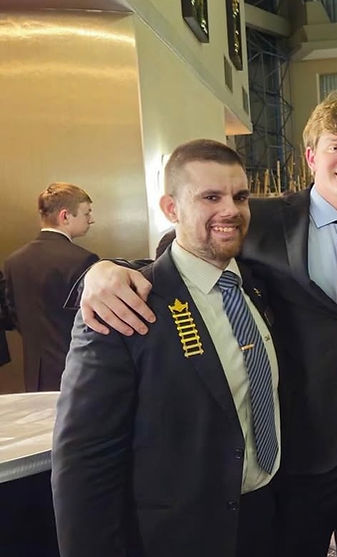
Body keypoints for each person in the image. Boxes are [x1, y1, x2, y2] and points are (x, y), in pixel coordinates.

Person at [76, 93, 337, 557]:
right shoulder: (261, 218)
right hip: (296, 444)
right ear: (312, 157)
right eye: (336, 146)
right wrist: (101, 271)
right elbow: (178, 255)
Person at [52, 139, 280, 557]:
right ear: (171, 209)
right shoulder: (124, 306)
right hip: (176, 536)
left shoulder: (257, 287)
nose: (230, 209)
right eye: (210, 197)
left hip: (262, 518)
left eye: (240, 196)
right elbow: (84, 463)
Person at [3, 183, 98, 391]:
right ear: (65, 216)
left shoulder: (13, 262)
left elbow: (12, 316)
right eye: (86, 212)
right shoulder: (84, 260)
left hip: (34, 374)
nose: (91, 219)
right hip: (78, 370)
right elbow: (93, 322)